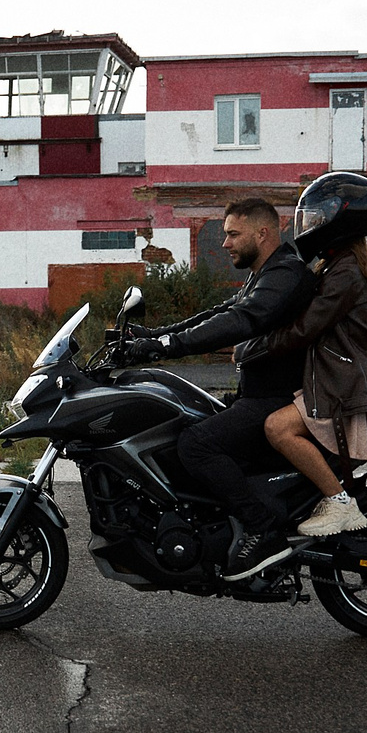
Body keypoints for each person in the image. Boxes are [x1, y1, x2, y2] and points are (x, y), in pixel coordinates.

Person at [108, 196, 318, 577]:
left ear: (263, 232)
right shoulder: (267, 272)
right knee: (186, 422)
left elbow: (242, 320)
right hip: (257, 396)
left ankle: (262, 529)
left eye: (233, 234)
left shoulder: (286, 273)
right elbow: (220, 312)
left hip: (277, 400)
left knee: (196, 444)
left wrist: (162, 347)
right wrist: (153, 337)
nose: (225, 243)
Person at [241, 171, 367, 538]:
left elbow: (308, 327)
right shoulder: (338, 263)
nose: (310, 224)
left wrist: (253, 349)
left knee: (277, 427)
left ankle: (339, 502)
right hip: (340, 375)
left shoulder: (347, 271)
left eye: (318, 217)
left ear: (340, 219)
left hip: (347, 382)